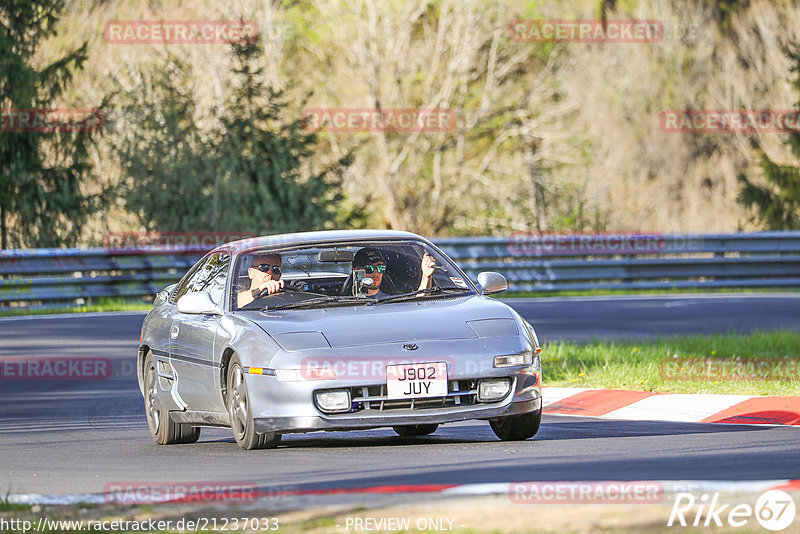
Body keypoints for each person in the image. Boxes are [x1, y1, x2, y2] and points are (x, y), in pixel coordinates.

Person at [351, 247, 437, 298]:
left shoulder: (392, 298)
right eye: (369, 268)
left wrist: (426, 276)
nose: (376, 273)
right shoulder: (342, 301)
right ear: (355, 270)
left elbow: (420, 306)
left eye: (380, 268)